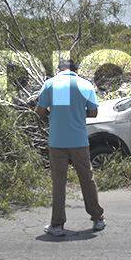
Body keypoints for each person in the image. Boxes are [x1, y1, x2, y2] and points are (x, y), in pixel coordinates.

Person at [35, 59, 105, 236]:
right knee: (87, 179)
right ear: (75, 70)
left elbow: (40, 111)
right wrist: (79, 112)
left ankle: (57, 225)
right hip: (79, 140)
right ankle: (97, 219)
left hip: (57, 141)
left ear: (59, 70)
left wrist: (55, 113)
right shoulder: (84, 84)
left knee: (59, 182)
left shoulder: (50, 84)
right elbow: (94, 112)